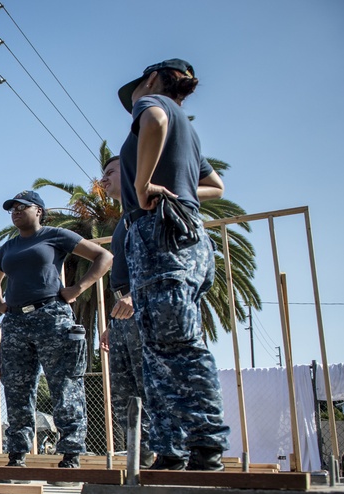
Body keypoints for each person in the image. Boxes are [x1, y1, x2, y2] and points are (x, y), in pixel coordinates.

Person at [117, 59, 230, 471]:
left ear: (150, 80)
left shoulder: (152, 104)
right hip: (178, 236)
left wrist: (144, 184)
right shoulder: (191, 129)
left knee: (177, 345)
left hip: (162, 235)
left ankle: (205, 444)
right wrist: (183, 192)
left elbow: (155, 123)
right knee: (158, 350)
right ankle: (171, 448)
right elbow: (217, 186)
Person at [0, 191, 112, 473]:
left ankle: (70, 454)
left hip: (51, 317)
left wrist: (78, 289)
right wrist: (2, 306)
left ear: (39, 211)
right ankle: (17, 453)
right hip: (16, 322)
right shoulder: (8, 248)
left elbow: (104, 257)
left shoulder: (55, 235)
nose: (16, 211)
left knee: (64, 385)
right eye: (12, 209)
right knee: (17, 389)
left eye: (22, 207)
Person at [98, 156, 155, 468]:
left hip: (144, 306)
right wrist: (112, 320)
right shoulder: (122, 220)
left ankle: (164, 454)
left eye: (110, 172)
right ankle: (141, 457)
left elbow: (157, 260)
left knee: (149, 384)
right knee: (124, 392)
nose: (103, 180)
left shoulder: (145, 212)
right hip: (123, 314)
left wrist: (135, 296)